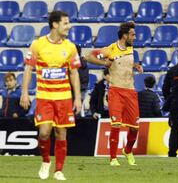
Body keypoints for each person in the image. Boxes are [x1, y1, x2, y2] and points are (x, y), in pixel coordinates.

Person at [20, 11, 82, 180]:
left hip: (64, 98)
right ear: (55, 25)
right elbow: (28, 69)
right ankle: (46, 161)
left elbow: (74, 73)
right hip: (45, 97)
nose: (68, 26)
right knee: (44, 133)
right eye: (65, 23)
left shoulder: (70, 47)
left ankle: (58, 170)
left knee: (61, 134)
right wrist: (25, 93)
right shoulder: (37, 44)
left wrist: (77, 98)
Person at [85, 22, 143, 166]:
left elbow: (124, 64)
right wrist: (104, 63)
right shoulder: (110, 49)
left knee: (134, 128)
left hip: (130, 92)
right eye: (132, 34)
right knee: (116, 125)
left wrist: (135, 66)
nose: (135, 37)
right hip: (116, 91)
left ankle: (128, 150)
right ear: (125, 36)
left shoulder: (130, 49)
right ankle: (113, 158)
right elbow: (88, 56)